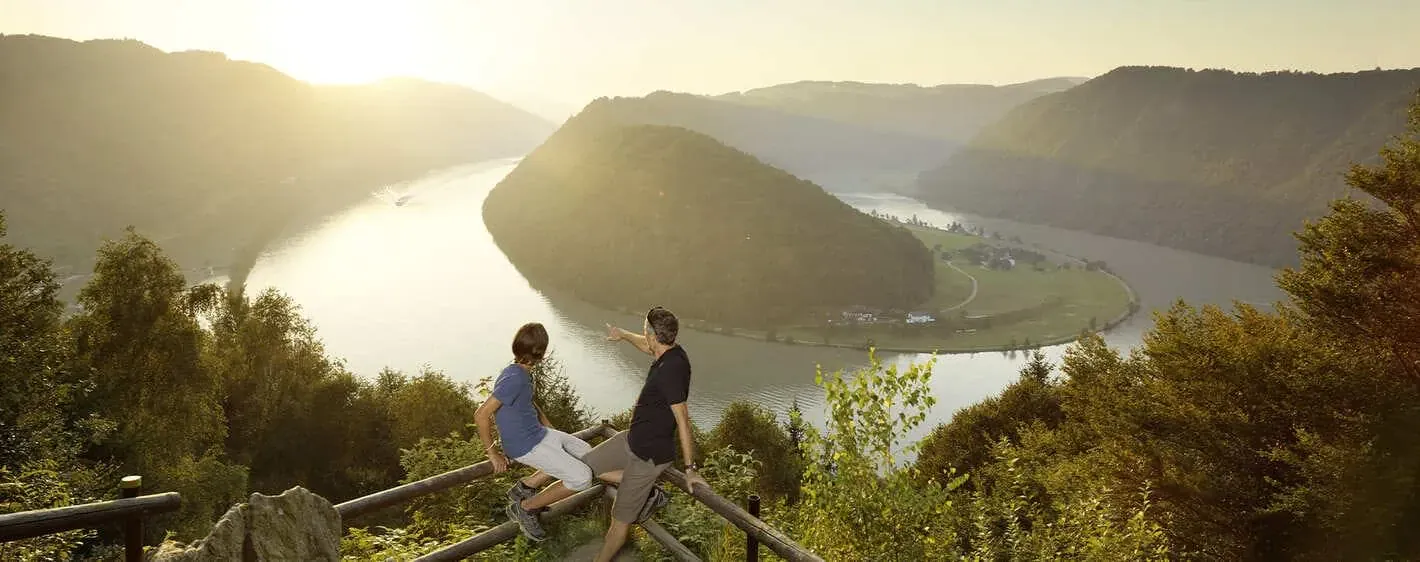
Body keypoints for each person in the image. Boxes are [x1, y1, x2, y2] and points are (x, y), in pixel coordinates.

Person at [578, 306, 709, 562]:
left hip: (650, 455)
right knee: (586, 469)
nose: (644, 336)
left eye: (644, 330)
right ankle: (646, 490)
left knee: (619, 523)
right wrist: (623, 335)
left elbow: (683, 420)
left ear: (651, 333)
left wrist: (691, 468)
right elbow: (646, 345)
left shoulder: (672, 370)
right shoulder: (666, 350)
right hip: (633, 439)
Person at [475, 322, 598, 542]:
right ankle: (525, 507)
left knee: (585, 451)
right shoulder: (515, 378)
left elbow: (526, 402)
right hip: (524, 445)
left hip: (537, 433)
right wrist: (492, 453)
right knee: (582, 478)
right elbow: (481, 414)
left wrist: (548, 425)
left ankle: (526, 486)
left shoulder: (519, 372)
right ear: (542, 353)